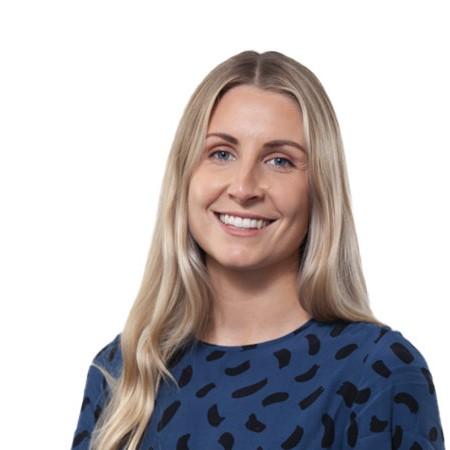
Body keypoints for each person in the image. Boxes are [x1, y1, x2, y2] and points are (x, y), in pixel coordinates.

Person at [71, 50, 445, 450]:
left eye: (279, 161)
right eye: (221, 154)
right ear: (185, 175)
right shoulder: (125, 370)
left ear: (320, 189)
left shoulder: (379, 371)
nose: (244, 187)